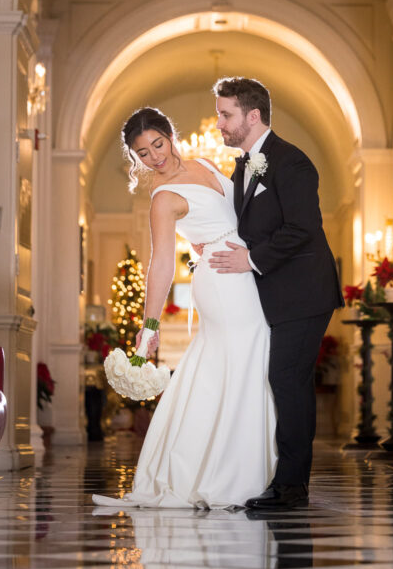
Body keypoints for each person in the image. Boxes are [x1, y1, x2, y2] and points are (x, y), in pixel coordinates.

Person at [93, 107, 276, 510]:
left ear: (171, 135)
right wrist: (150, 324)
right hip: (223, 283)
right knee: (239, 364)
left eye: (158, 144)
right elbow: (159, 264)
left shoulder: (205, 162)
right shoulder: (162, 198)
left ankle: (240, 466)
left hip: (249, 271)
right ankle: (228, 474)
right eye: (143, 153)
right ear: (135, 159)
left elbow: (238, 213)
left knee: (245, 365)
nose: (155, 156)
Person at [210, 77, 343, 510]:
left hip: (304, 294)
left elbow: (302, 230)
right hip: (272, 296)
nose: (219, 124)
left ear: (253, 115)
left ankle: (291, 487)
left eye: (226, 114)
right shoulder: (244, 164)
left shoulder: (291, 162)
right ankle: (279, 477)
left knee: (287, 381)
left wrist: (249, 259)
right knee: (279, 381)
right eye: (219, 114)